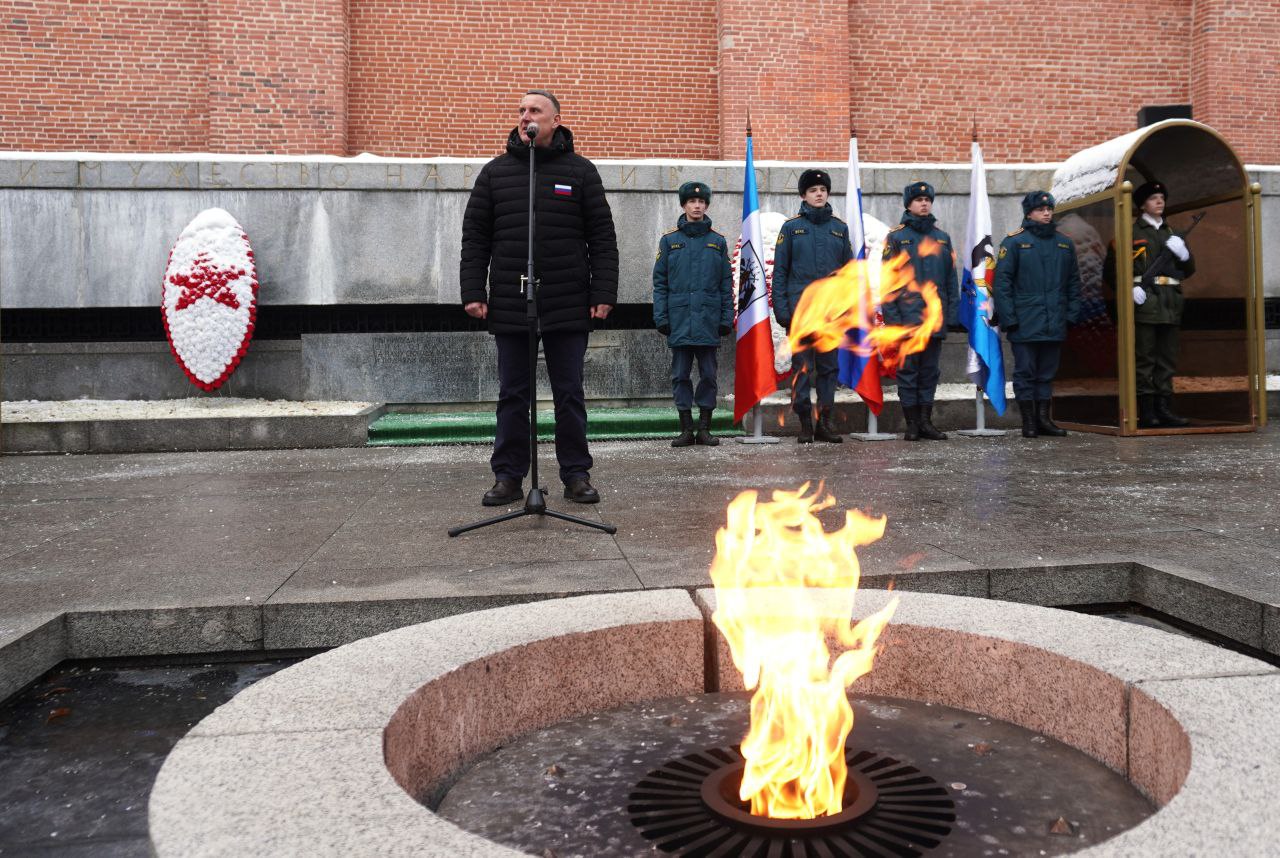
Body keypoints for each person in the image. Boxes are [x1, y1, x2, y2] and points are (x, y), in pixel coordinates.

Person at [460, 90, 618, 506]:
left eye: (535, 111)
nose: (525, 116)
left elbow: (602, 237)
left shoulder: (581, 172)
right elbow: (475, 237)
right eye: (521, 111)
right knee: (513, 393)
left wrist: (603, 292)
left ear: (555, 120)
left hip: (568, 301)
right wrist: (473, 290)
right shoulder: (495, 173)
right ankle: (509, 476)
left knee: (570, 392)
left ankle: (576, 473)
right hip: (513, 302)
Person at [771, 169, 854, 443]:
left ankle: (825, 423)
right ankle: (805, 423)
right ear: (803, 196)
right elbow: (780, 273)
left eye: (823, 189)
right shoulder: (791, 228)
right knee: (802, 369)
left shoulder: (839, 229)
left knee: (830, 370)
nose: (819, 194)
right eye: (813, 190)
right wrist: (783, 311)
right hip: (801, 313)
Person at [993, 191, 1082, 438]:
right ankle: (1029, 422)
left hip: (1055, 321)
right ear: (1029, 212)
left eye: (1049, 209)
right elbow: (1002, 284)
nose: (1046, 213)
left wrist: (1071, 314)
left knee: (1046, 374)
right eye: (1041, 209)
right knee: (1025, 373)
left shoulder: (1064, 243)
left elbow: (1074, 282)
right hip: (1025, 322)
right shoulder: (1013, 242)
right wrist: (1009, 319)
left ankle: (1044, 419)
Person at [652, 181, 734, 447]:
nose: (697, 206)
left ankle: (704, 429)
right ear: (684, 205)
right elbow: (660, 283)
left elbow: (725, 284)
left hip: (708, 322)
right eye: (691, 202)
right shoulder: (669, 241)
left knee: (709, 375)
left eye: (701, 202)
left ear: (706, 205)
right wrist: (661, 317)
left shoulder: (717, 242)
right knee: (680, 375)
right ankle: (686, 429)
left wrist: (725, 318)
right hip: (680, 321)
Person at [882, 181, 960, 441]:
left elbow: (950, 281)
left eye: (927, 200)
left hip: (934, 320)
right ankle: (912, 424)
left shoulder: (942, 238)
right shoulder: (896, 238)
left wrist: (950, 318)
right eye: (918, 200)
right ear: (908, 204)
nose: (924, 203)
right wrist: (894, 322)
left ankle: (926, 422)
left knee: (929, 373)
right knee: (908, 373)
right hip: (907, 319)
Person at [1122, 181, 1194, 428]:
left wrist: (1184, 255)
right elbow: (1114, 269)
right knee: (1145, 359)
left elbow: (1189, 270)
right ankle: (1147, 410)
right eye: (1154, 198)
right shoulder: (1130, 232)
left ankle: (1164, 409)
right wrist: (1129, 288)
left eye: (1162, 197)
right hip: (1146, 303)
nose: (1160, 201)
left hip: (1170, 303)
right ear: (1142, 204)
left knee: (1167, 359)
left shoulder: (1172, 233)